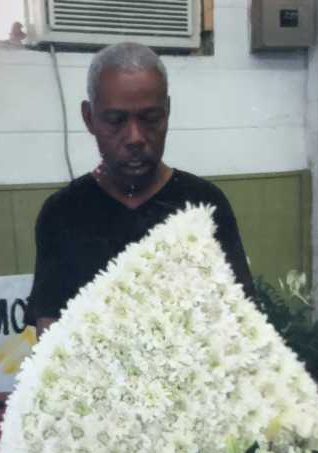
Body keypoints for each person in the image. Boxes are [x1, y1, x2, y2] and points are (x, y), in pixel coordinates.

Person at [25, 42, 254, 337]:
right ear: (89, 118)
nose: (135, 137)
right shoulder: (62, 212)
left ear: (167, 112)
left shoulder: (203, 204)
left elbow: (239, 318)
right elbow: (50, 329)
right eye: (115, 121)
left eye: (150, 119)